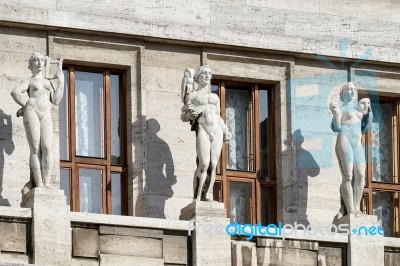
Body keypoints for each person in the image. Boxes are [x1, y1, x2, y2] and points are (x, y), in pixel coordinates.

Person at [11, 52, 64, 188]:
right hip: (32, 112)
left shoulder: (48, 83)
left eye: (41, 60)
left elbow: (56, 100)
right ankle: (39, 184)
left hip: (45, 113)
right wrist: (26, 106)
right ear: (31, 64)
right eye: (36, 60)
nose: (40, 62)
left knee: (46, 147)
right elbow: (15, 92)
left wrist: (61, 82)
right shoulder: (30, 81)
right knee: (35, 148)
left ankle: (46, 183)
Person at [181, 65, 231, 201]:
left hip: (217, 129)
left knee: (214, 164)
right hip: (203, 128)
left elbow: (218, 115)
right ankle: (197, 196)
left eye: (210, 73)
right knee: (204, 164)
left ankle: (207, 194)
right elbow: (184, 116)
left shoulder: (215, 96)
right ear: (198, 77)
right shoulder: (192, 95)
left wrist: (225, 128)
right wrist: (189, 115)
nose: (208, 76)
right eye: (204, 73)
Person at [330, 82, 372, 217]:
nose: (352, 92)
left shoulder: (358, 109)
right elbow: (336, 128)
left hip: (357, 143)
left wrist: (368, 115)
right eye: (349, 90)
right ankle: (351, 210)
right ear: (343, 93)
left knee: (360, 175)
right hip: (344, 141)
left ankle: (356, 206)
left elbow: (364, 128)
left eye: (354, 89)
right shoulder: (340, 108)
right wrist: (336, 114)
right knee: (348, 175)